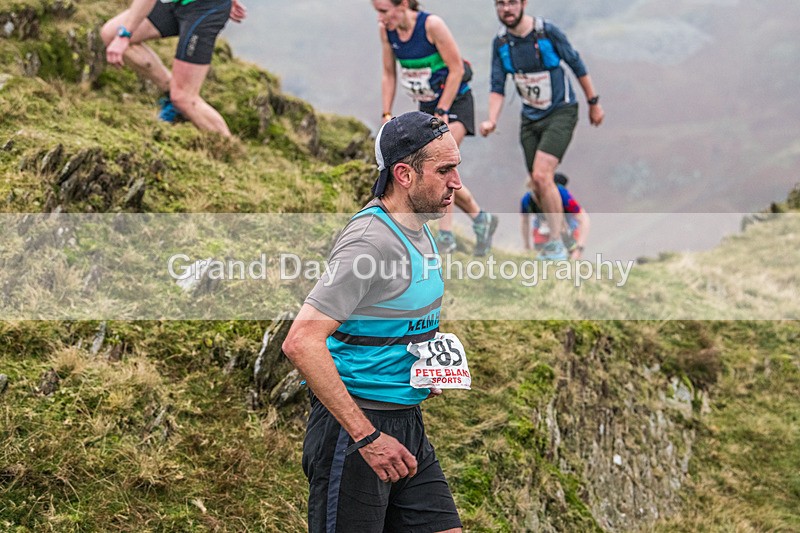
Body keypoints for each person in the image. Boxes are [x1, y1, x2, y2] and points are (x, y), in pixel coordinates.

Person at [282, 111, 464, 533]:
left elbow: (394, 316)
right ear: (404, 174)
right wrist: (366, 438)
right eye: (445, 170)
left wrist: (426, 363)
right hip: (356, 431)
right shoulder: (370, 242)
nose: (456, 182)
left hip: (407, 421)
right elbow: (301, 341)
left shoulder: (419, 226)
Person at [479, 0, 604, 260]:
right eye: (500, 4)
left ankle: (555, 244)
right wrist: (492, 119)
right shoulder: (501, 44)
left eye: (512, 2)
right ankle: (567, 240)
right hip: (530, 118)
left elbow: (576, 64)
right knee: (537, 186)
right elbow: (497, 84)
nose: (507, 9)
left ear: (524, 3)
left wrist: (593, 103)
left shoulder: (547, 33)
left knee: (542, 175)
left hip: (561, 111)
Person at [373, 0, 498, 256]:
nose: (381, 18)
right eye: (377, 12)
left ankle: (446, 236)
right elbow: (389, 73)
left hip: (455, 103)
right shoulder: (386, 31)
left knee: (439, 166)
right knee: (432, 169)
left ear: (403, 4)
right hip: (426, 108)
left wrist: (442, 111)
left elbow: (456, 69)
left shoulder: (432, 25)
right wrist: (386, 113)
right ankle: (481, 218)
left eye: (385, 11)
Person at [101, 0, 247, 137]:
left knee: (184, 98)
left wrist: (125, 35)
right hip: (176, 2)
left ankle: (230, 148)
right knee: (111, 34)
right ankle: (170, 93)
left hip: (205, 9)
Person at [521, 172, 590, 260]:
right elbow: (524, 222)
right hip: (542, 232)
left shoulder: (562, 194)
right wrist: (527, 246)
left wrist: (579, 249)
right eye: (534, 191)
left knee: (571, 257)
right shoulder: (527, 199)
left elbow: (584, 219)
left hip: (568, 230)